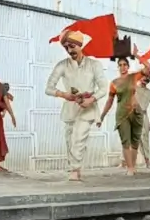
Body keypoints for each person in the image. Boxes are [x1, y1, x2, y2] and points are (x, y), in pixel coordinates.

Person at [45, 30, 108, 182]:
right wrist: (63, 94)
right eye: (66, 47)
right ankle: (77, 167)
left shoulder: (94, 65)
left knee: (78, 138)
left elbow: (104, 88)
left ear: (80, 45)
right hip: (70, 108)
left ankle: (74, 170)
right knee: (70, 140)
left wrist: (91, 99)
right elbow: (48, 88)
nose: (69, 50)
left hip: (88, 107)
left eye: (72, 46)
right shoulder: (62, 65)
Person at [98, 45, 150, 176]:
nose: (122, 67)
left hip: (136, 112)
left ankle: (133, 166)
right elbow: (109, 101)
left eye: (124, 65)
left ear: (128, 66)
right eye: (120, 65)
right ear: (118, 67)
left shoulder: (134, 77)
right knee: (125, 141)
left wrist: (136, 55)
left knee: (135, 141)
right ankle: (130, 168)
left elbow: (148, 67)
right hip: (122, 114)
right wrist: (102, 116)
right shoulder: (114, 83)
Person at [118, 73, 150, 168]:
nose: (145, 79)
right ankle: (123, 162)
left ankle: (147, 162)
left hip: (142, 116)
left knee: (143, 139)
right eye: (144, 76)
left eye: (148, 78)